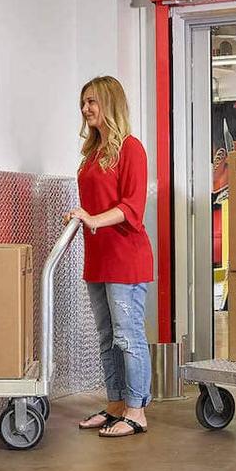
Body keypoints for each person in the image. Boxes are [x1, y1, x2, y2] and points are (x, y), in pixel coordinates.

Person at [66, 75, 155, 438]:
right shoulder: (92, 154)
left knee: (128, 335)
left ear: (110, 104)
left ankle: (136, 411)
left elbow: (132, 207)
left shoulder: (130, 149)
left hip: (126, 257)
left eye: (93, 102)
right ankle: (116, 404)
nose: (86, 109)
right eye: (84, 102)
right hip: (99, 258)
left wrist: (92, 219)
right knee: (107, 337)